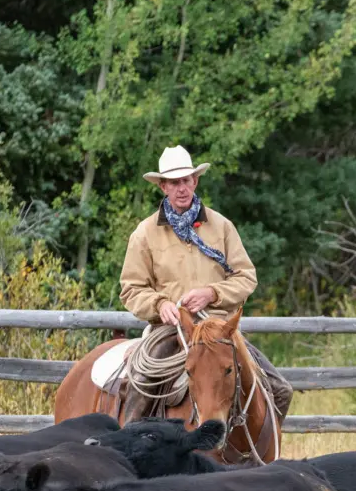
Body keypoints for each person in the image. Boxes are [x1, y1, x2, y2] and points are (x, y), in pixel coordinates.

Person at [119, 144, 292, 419]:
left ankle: (263, 459)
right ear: (163, 186)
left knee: (280, 390)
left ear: (195, 181)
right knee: (138, 386)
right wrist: (159, 304)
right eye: (174, 182)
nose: (181, 189)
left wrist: (212, 293)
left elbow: (246, 276)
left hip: (220, 330)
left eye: (186, 180)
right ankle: (128, 451)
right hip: (171, 329)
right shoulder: (144, 234)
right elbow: (131, 289)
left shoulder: (221, 226)